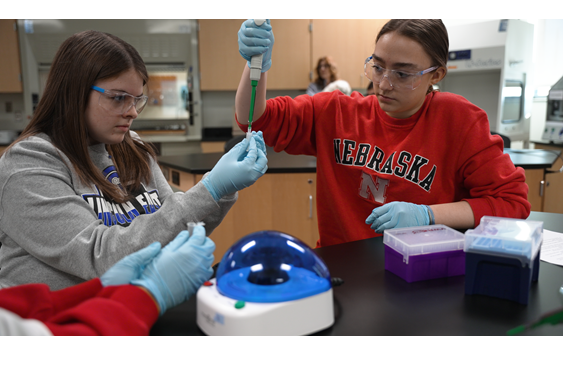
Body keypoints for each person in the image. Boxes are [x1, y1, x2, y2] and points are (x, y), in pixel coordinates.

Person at [0, 30, 268, 290]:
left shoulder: (132, 147)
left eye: (137, 100)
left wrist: (223, 189)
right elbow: (100, 256)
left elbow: (175, 226)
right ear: (74, 93)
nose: (131, 112)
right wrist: (211, 188)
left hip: (131, 307)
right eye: (118, 98)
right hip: (54, 322)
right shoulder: (29, 163)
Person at [235, 19, 530, 248]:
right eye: (378, 67)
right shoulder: (335, 112)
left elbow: (512, 202)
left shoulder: (459, 120)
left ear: (436, 74)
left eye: (402, 74)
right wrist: (255, 65)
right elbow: (255, 120)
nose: (384, 84)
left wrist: (429, 215)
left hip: (423, 272)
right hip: (344, 268)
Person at [0, 225, 213, 336]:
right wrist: (148, 294)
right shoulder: (27, 162)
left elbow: (16, 308)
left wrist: (98, 288)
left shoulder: (134, 149)